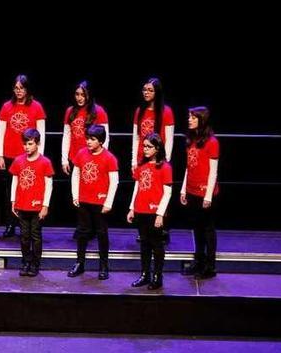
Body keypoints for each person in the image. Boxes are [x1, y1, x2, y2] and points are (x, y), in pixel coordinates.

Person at [0, 74, 46, 237]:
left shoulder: (36, 107)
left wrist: (40, 157)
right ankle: (10, 224)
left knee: (31, 190)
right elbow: (0, 132)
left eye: (22, 88)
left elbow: (41, 134)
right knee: (11, 191)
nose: (19, 91)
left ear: (27, 89)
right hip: (11, 156)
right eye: (16, 88)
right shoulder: (6, 106)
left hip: (30, 157)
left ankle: (32, 226)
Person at [68, 125, 118, 280]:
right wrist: (75, 195)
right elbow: (76, 174)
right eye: (87, 138)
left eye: (92, 139)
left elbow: (114, 181)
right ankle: (80, 263)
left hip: (100, 202)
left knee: (102, 234)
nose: (88, 142)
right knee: (82, 232)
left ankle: (103, 266)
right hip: (84, 200)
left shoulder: (109, 158)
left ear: (101, 141)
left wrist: (108, 202)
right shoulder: (81, 154)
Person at [127, 133, 172, 290]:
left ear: (157, 148)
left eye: (149, 147)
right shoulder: (141, 166)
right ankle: (145, 274)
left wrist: (160, 213)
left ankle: (157, 276)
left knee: (157, 245)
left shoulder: (165, 167)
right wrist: (132, 208)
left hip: (155, 212)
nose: (145, 149)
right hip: (141, 210)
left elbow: (167, 193)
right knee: (144, 244)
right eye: (144, 146)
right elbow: (137, 188)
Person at [180, 106, 219, 279]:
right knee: (196, 229)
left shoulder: (212, 142)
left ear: (201, 120)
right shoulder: (191, 140)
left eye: (193, 117)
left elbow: (213, 171)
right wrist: (183, 189)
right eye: (189, 116)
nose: (189, 119)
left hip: (205, 192)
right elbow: (189, 167)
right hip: (192, 190)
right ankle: (199, 261)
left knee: (207, 230)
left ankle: (210, 266)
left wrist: (208, 195)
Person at [10, 128, 54, 277]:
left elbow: (49, 185)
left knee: (35, 235)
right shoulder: (18, 160)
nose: (27, 147)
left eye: (30, 144)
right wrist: (13, 201)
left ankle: (35, 263)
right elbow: (15, 180)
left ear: (37, 144)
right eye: (25, 144)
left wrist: (45, 205)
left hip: (36, 206)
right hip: (22, 204)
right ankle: (26, 261)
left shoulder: (45, 162)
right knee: (24, 236)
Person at [60, 80, 109, 175]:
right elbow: (66, 136)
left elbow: (105, 138)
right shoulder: (70, 111)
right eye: (77, 94)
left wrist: (102, 158)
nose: (79, 98)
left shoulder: (99, 111)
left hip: (93, 158)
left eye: (83, 95)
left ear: (89, 95)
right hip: (74, 158)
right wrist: (64, 159)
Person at [131, 77, 174, 170]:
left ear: (157, 93)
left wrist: (165, 160)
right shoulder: (139, 111)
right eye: (144, 90)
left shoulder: (166, 112)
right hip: (141, 158)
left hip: (158, 159)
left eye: (150, 90)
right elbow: (136, 138)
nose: (146, 93)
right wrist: (134, 160)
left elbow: (169, 139)